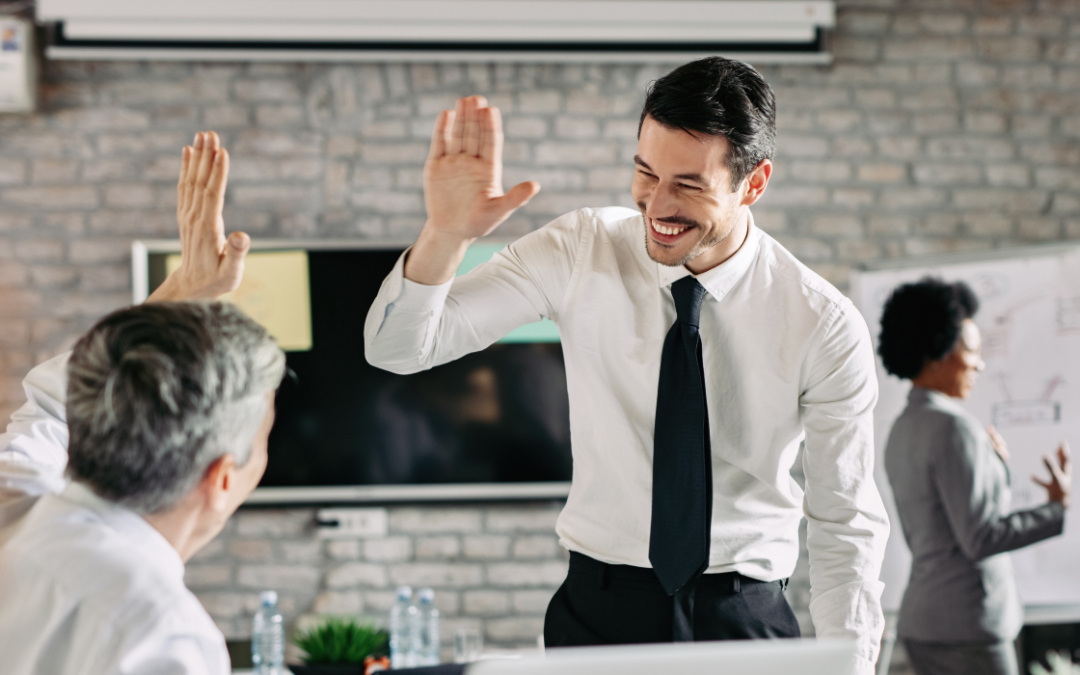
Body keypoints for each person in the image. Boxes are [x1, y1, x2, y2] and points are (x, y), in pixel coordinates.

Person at [364, 57, 890, 672]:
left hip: (742, 618)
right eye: (645, 172)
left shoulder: (821, 322)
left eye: (689, 184)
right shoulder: (580, 248)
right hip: (598, 614)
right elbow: (399, 348)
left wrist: (851, 667)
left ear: (754, 183)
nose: (656, 204)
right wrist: (445, 234)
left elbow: (845, 520)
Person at [0, 131, 285, 675]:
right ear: (223, 478)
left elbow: (53, 409)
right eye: (263, 439)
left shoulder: (14, 503)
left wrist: (183, 294)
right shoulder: (163, 636)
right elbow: (59, 403)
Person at [878, 278, 1071, 675]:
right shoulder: (954, 428)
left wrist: (993, 464)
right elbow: (980, 537)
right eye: (971, 350)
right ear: (936, 352)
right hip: (967, 627)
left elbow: (946, 525)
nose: (980, 364)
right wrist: (1055, 508)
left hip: (925, 623)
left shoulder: (903, 427)